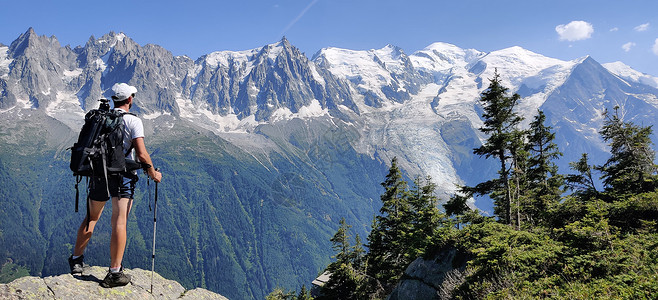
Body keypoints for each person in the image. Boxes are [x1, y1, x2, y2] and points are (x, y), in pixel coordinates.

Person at [68, 83, 163, 288]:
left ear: (114, 100)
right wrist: (153, 173)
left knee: (92, 217)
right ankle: (114, 272)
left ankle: (76, 259)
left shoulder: (103, 119)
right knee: (119, 222)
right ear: (129, 99)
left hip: (99, 174)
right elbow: (141, 154)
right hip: (124, 176)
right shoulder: (133, 121)